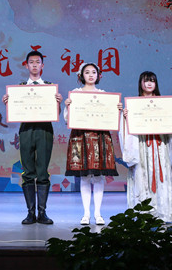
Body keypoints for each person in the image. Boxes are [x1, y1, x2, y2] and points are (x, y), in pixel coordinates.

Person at [119, 71, 172, 222]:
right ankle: (143, 214)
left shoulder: (164, 104)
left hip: (160, 145)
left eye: (152, 81)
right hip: (141, 145)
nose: (149, 83)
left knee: (162, 177)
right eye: (146, 80)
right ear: (140, 83)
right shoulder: (134, 104)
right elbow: (127, 128)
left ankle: (163, 213)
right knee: (141, 176)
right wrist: (125, 117)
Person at [2, 50, 62, 225]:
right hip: (26, 129)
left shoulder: (50, 88)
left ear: (42, 65)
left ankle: (42, 213)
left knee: (42, 171)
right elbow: (15, 111)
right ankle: (30, 213)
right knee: (28, 171)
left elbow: (56, 113)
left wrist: (57, 102)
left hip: (44, 130)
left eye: (37, 62)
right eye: (31, 62)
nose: (34, 65)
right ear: (26, 65)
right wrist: (9, 103)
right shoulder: (20, 89)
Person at [63, 62, 121, 226]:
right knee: (84, 177)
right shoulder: (75, 94)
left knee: (98, 176)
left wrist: (116, 109)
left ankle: (98, 213)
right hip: (81, 136)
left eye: (93, 72)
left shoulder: (104, 95)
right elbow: (67, 119)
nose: (90, 75)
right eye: (87, 72)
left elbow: (111, 117)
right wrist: (67, 107)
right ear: (81, 75)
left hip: (100, 136)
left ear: (98, 75)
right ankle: (86, 214)